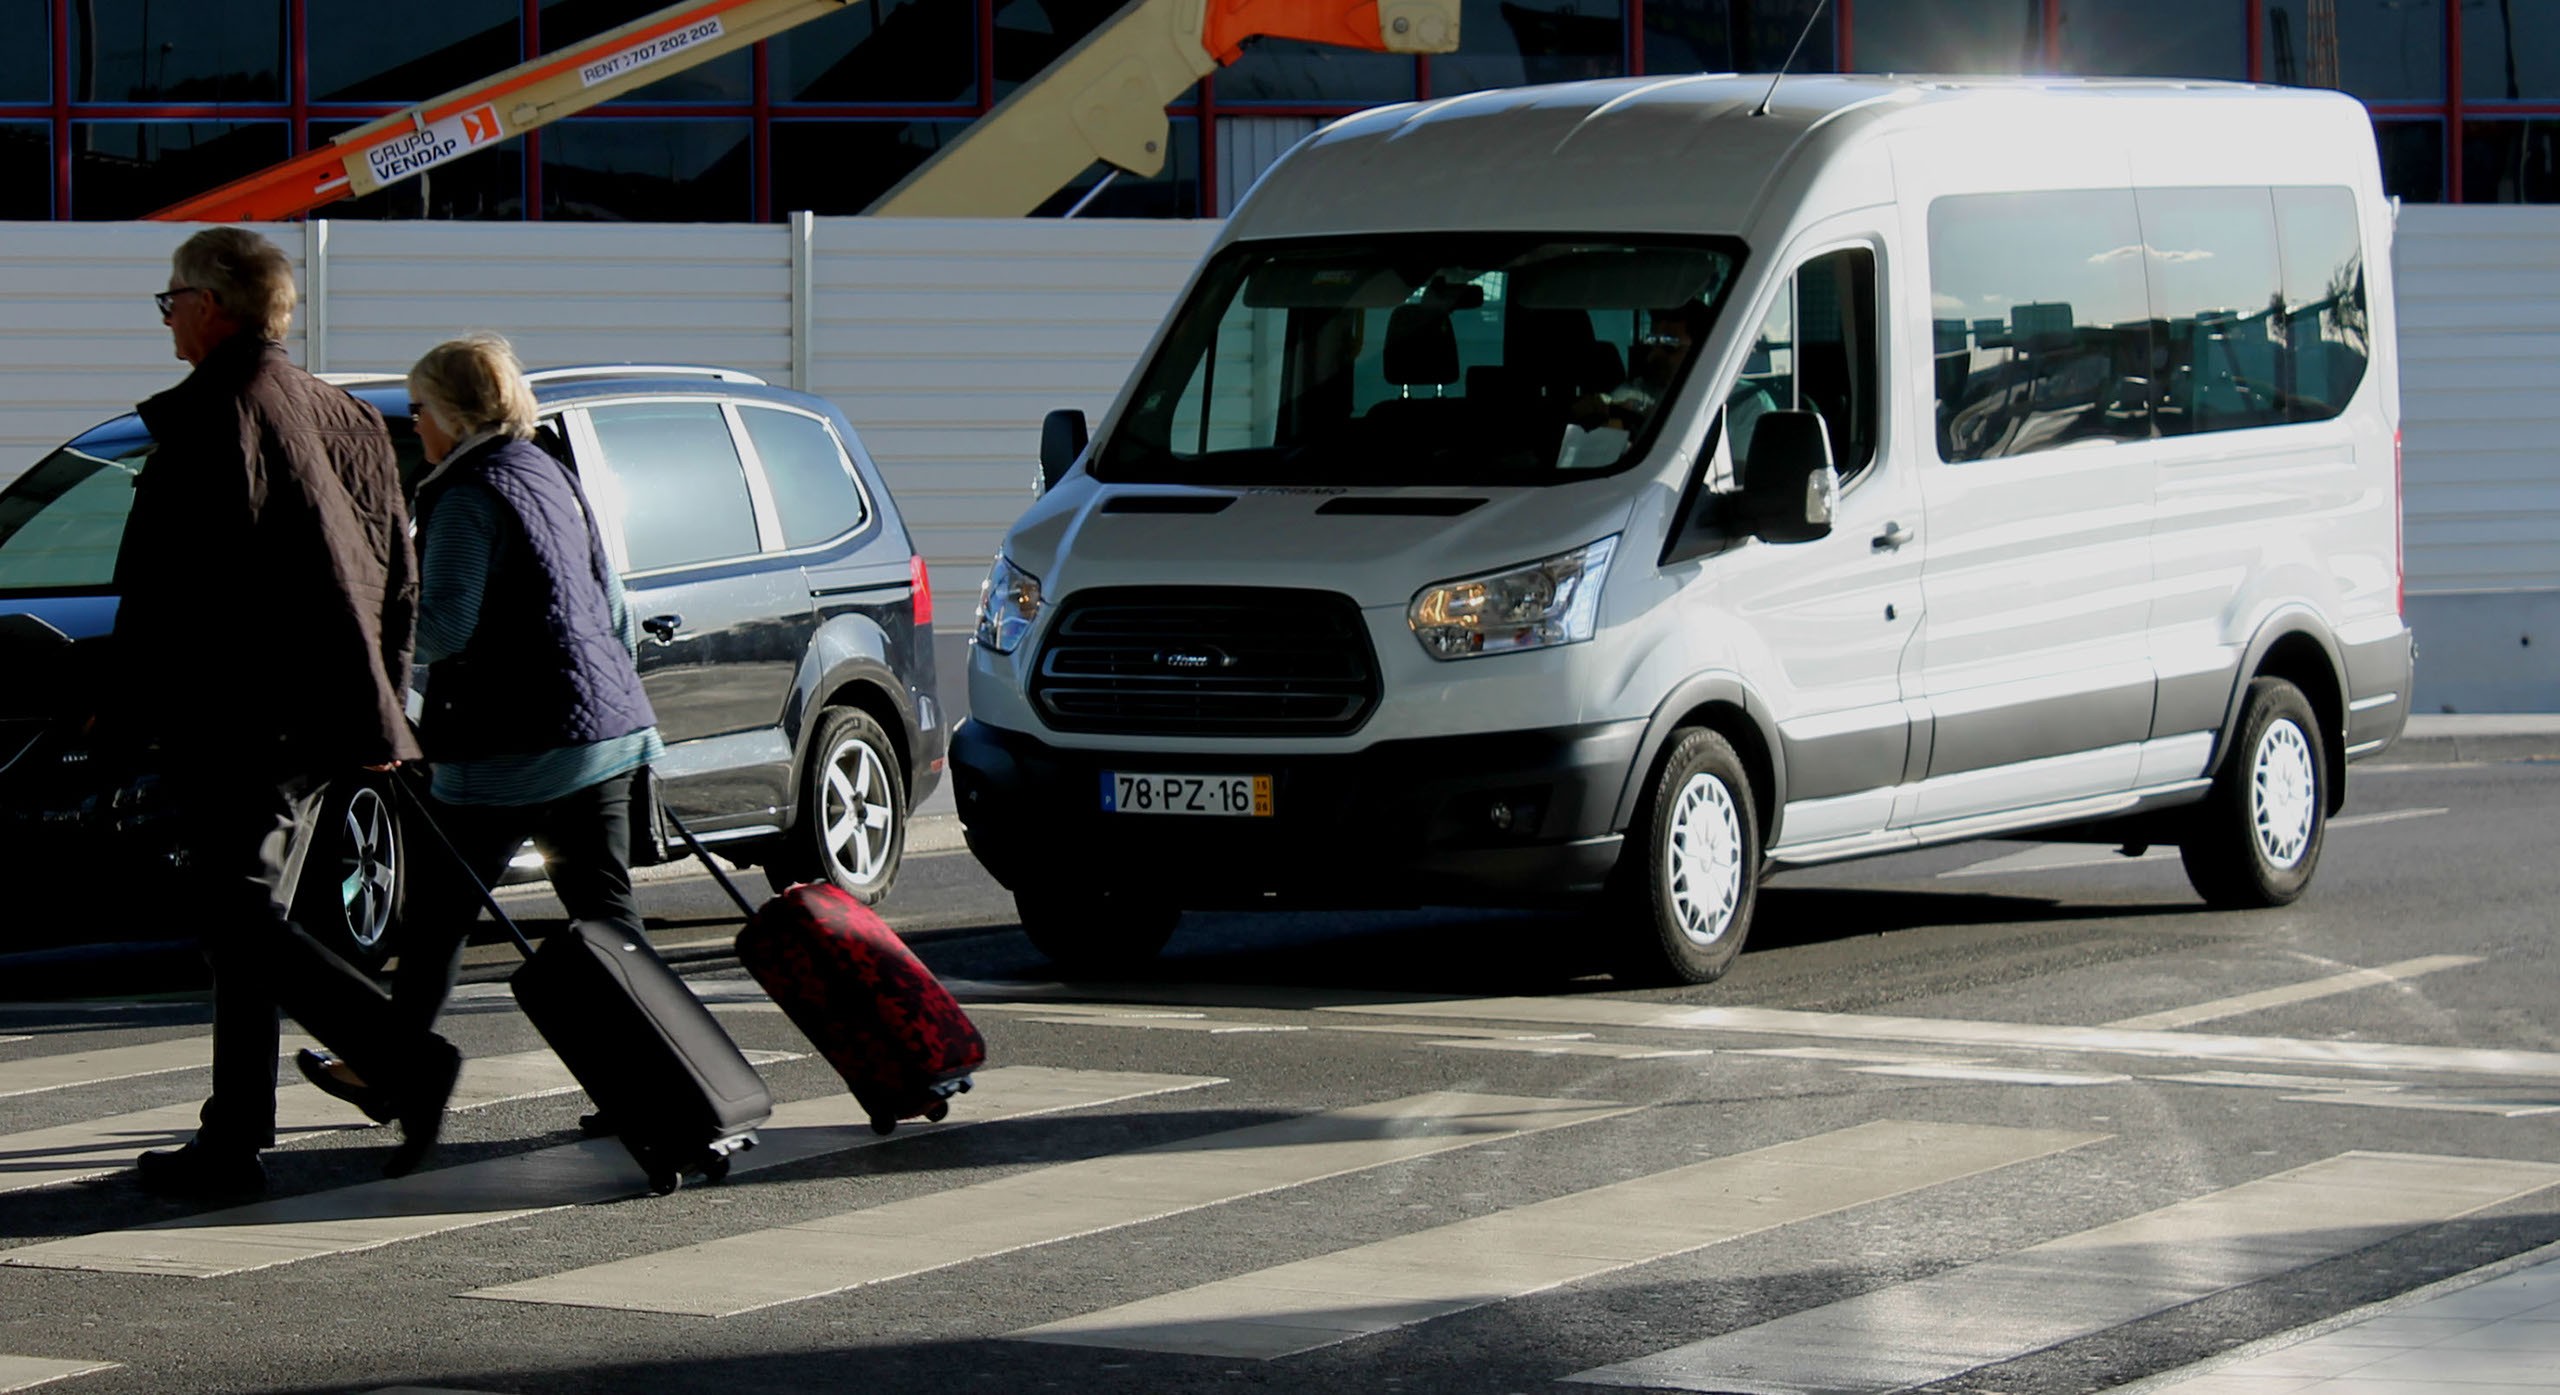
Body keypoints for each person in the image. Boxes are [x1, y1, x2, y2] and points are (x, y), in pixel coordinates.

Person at [108, 227, 460, 1199]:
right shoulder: (341, 412)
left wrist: (125, 708)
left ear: (213, 306)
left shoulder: (217, 412)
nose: (168, 316)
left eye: (173, 299)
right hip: (320, 709)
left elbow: (166, 585)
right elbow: (398, 569)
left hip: (235, 708)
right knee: (243, 917)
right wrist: (383, 699)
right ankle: (233, 1141)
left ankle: (400, 1058)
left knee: (237, 913)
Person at [295, 335, 664, 1124]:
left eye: (420, 408)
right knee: (608, 919)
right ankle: (653, 1084)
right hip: (606, 727)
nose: (416, 424)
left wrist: (364, 640)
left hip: (514, 741)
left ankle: (389, 1070)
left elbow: (445, 627)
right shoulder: (547, 469)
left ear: (455, 414)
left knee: (434, 918)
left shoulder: (465, 493)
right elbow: (613, 600)